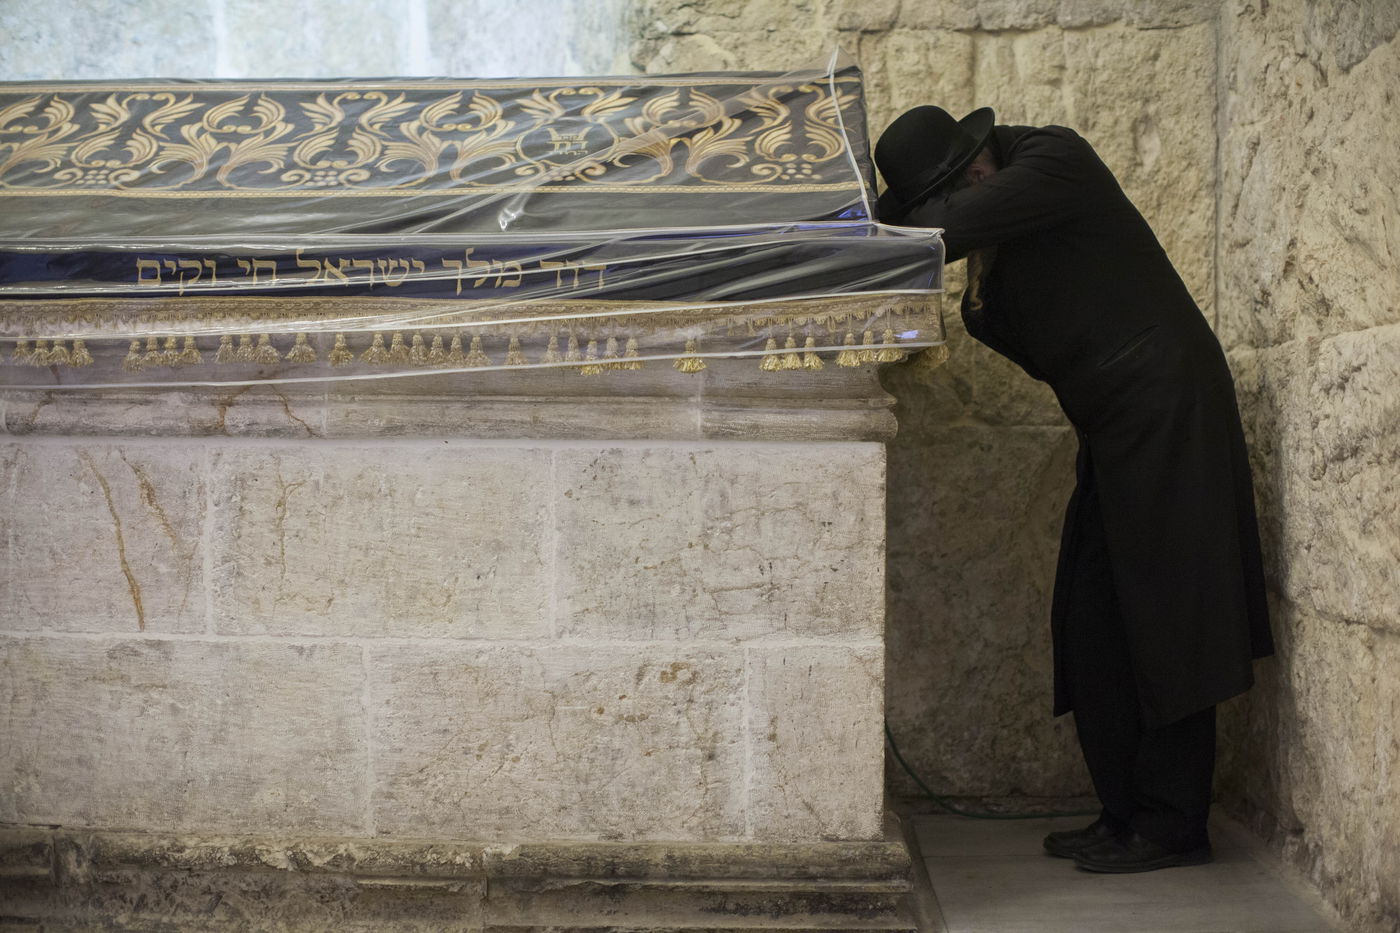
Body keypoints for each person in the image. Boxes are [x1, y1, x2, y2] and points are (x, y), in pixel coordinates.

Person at [874, 106, 1274, 873]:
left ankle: (1171, 824)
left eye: (967, 176)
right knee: (1091, 616)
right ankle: (1124, 811)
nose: (973, 187)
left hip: (1169, 405)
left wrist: (871, 239)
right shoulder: (990, 273)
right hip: (1114, 429)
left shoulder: (1054, 158)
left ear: (980, 158)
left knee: (1167, 614)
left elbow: (947, 230)